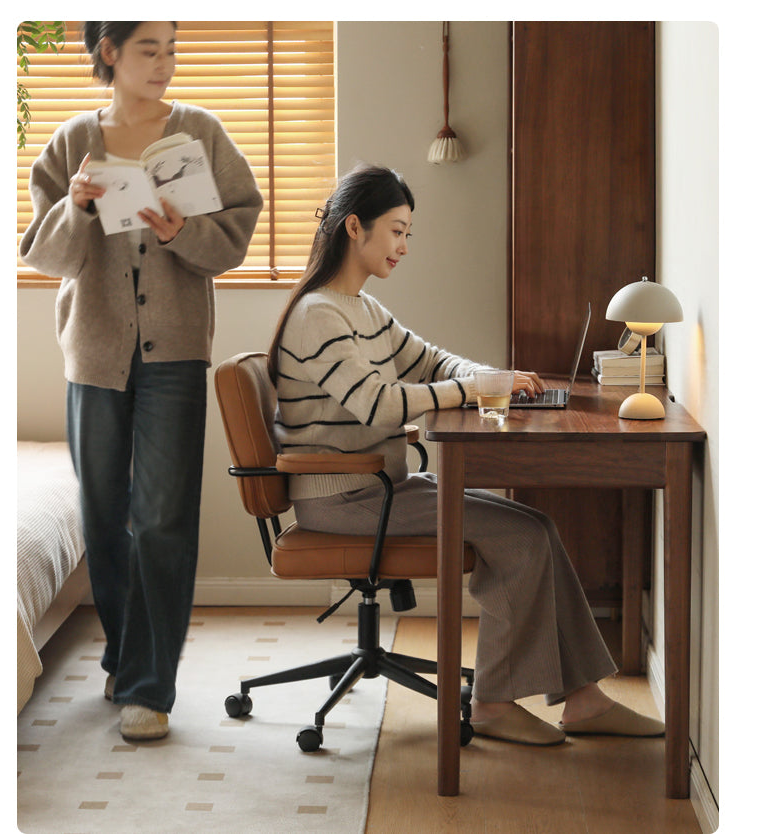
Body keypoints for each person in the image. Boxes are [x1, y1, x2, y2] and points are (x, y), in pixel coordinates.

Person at [267, 164, 664, 745]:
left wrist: (492, 379)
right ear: (355, 227)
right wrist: (473, 390)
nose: (404, 246)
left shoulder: (362, 309)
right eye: (396, 231)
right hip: (345, 496)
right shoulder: (318, 315)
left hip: (379, 487)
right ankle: (495, 705)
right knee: (522, 536)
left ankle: (583, 700)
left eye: (408, 234)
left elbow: (431, 362)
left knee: (536, 527)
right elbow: (378, 405)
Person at [19, 21, 263, 741]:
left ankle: (149, 687)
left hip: (175, 356)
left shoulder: (201, 132)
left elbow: (236, 235)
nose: (164, 63)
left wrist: (179, 232)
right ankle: (127, 657)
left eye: (171, 48)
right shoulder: (72, 142)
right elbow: (46, 256)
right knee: (102, 515)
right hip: (94, 355)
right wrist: (78, 205)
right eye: (149, 49)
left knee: (163, 518)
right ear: (109, 53)